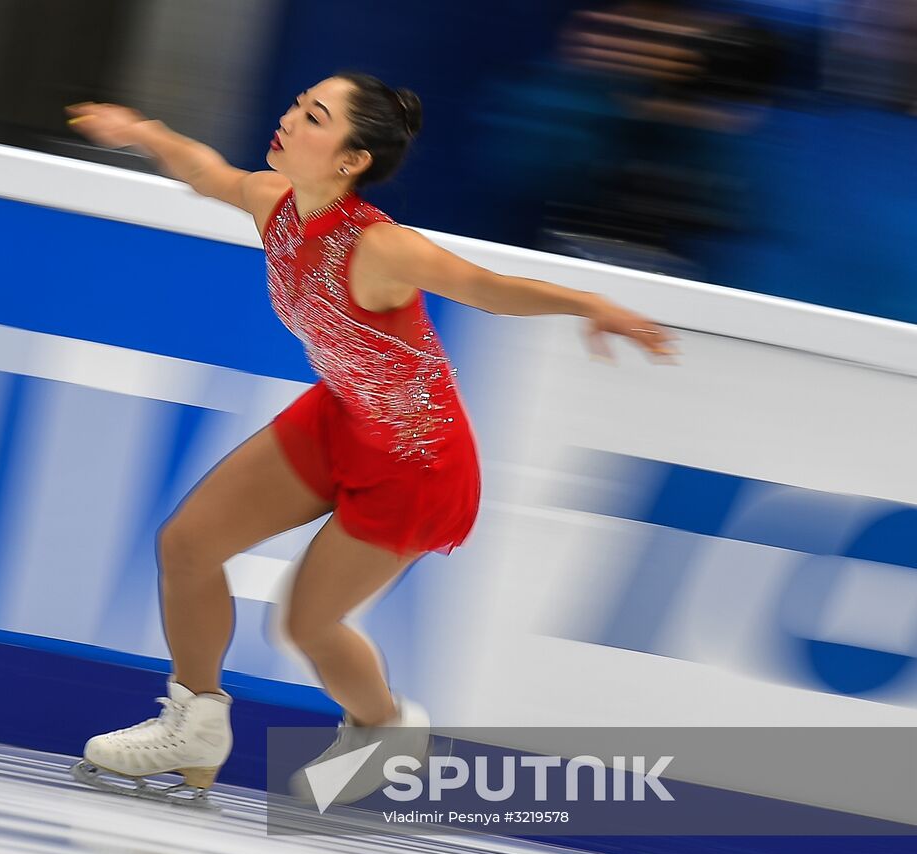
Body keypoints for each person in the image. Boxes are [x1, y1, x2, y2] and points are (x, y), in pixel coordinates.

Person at [64, 73, 677, 806]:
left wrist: (588, 302)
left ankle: (385, 727)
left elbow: (486, 288)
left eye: (314, 116)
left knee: (306, 622)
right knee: (187, 544)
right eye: (295, 104)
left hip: (416, 461)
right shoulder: (273, 202)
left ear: (351, 158)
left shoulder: (382, 247)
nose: (289, 118)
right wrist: (141, 132)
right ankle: (195, 721)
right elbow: (209, 173)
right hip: (341, 418)